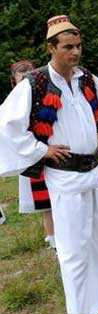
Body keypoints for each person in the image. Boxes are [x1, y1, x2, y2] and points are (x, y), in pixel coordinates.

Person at [0, 15, 98, 314]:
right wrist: (41, 150)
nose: (75, 52)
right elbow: (8, 126)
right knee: (73, 247)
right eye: (68, 47)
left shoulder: (87, 78)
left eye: (78, 46)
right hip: (66, 178)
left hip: (97, 172)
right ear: (51, 48)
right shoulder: (36, 83)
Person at [10, 60, 55, 248]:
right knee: (45, 201)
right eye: (21, 80)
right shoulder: (12, 104)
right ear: (14, 83)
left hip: (54, 149)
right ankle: (53, 240)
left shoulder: (46, 96)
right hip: (32, 155)